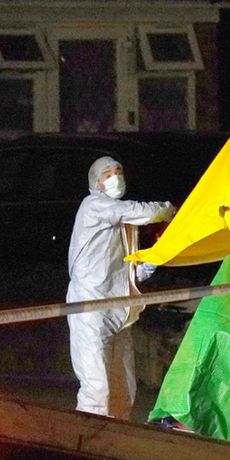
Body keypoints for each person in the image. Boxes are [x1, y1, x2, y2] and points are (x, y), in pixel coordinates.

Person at [66, 156, 176, 419]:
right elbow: (144, 212)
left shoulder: (123, 224)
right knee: (96, 387)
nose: (115, 177)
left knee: (123, 389)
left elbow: (127, 269)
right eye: (108, 174)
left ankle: (118, 442)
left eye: (118, 171)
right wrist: (170, 210)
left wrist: (149, 263)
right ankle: (88, 445)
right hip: (91, 308)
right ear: (97, 183)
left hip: (119, 311)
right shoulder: (94, 206)